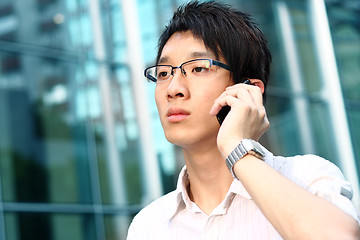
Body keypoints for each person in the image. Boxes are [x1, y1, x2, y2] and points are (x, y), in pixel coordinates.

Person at [127, 1, 360, 239]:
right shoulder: (148, 226)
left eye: (198, 68)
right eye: (164, 73)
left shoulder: (306, 177)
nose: (173, 89)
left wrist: (236, 148)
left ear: (248, 91)